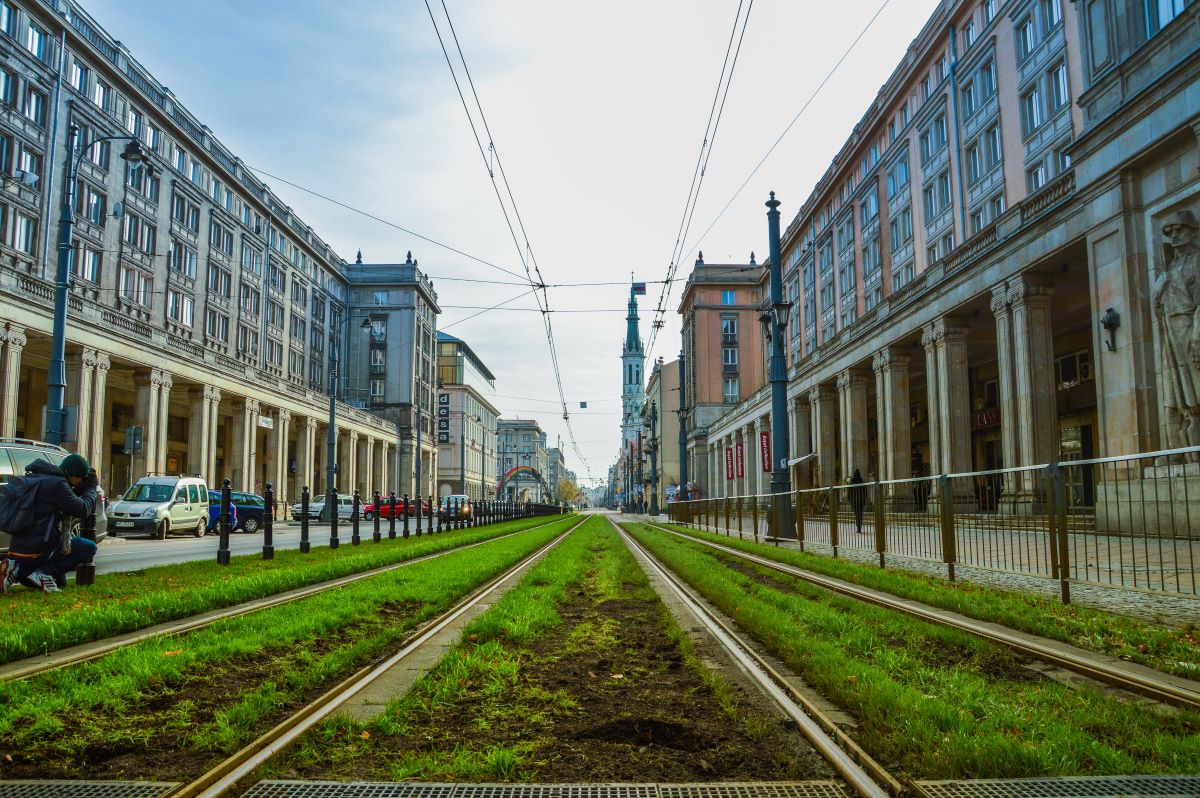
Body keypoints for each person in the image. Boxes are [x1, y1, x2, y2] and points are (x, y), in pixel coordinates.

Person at [1, 454, 99, 593]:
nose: (81, 481)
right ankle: (38, 573)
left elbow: (66, 499)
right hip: (39, 547)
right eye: (81, 478)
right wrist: (91, 488)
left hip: (18, 547)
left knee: (60, 582)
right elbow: (82, 509)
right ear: (74, 475)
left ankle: (17, 569)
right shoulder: (58, 484)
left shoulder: (37, 478)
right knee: (88, 547)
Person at [848, 468, 867, 534]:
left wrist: (851, 501)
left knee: (857, 514)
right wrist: (864, 500)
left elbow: (849, 493)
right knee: (860, 514)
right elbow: (865, 493)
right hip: (861, 501)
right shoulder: (862, 482)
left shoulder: (851, 483)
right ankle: (859, 526)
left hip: (855, 501)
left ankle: (858, 527)